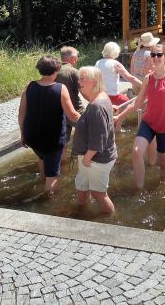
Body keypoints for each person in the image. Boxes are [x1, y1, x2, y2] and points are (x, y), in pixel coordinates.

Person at [115, 44, 165, 188]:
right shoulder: (148, 79)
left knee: (164, 163)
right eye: (153, 55)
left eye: (159, 55)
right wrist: (119, 116)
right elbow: (137, 103)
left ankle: (164, 190)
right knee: (136, 151)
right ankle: (139, 189)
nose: (156, 58)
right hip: (149, 123)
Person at [18, 55, 81, 195]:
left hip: (32, 137)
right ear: (57, 70)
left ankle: (43, 181)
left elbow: (21, 113)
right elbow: (72, 115)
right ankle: (47, 198)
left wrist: (23, 134)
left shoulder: (29, 86)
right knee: (53, 174)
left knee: (42, 158)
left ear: (39, 69)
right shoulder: (60, 88)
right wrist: (91, 118)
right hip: (52, 140)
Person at [72, 66, 117, 214]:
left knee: (98, 193)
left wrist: (87, 158)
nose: (79, 82)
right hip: (90, 157)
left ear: (94, 81)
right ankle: (79, 213)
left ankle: (111, 219)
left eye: (82, 79)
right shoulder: (101, 96)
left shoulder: (96, 107)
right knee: (82, 188)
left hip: (95, 158)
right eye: (79, 79)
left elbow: (98, 140)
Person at [56, 46, 82, 161]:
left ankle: (61, 164)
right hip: (75, 110)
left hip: (58, 112)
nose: (77, 59)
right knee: (91, 131)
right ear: (72, 58)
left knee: (63, 142)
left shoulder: (53, 70)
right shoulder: (74, 72)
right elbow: (85, 91)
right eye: (77, 57)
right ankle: (87, 159)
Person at [95, 41, 142, 106]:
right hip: (113, 96)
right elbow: (130, 78)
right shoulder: (115, 64)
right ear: (115, 52)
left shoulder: (98, 63)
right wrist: (143, 85)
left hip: (101, 95)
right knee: (127, 103)